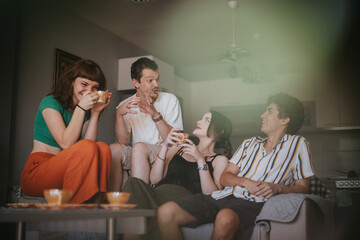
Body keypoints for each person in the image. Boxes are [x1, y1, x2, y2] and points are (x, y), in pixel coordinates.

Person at [158, 92, 315, 240]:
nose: (262, 115)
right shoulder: (249, 143)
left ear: (284, 119)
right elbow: (225, 178)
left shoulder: (297, 144)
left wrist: (277, 188)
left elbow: (303, 187)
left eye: (269, 111)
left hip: (252, 202)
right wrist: (245, 182)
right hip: (221, 197)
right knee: (166, 212)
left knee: (225, 218)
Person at [123, 111, 232, 239]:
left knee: (139, 207)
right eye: (201, 118)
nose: (199, 121)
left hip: (185, 198)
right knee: (133, 182)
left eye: (206, 120)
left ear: (220, 131)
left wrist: (200, 160)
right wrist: (165, 147)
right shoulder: (178, 147)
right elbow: (155, 179)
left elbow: (213, 195)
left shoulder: (219, 160)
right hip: (159, 192)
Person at [21, 59, 112, 204]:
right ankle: (74, 209)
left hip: (68, 169)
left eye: (95, 87)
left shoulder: (85, 111)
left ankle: (95, 205)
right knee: (87, 147)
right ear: (71, 82)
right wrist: (81, 108)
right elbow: (66, 143)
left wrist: (95, 113)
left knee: (103, 148)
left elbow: (90, 147)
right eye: (84, 84)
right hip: (38, 172)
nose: (89, 91)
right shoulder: (50, 102)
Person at [109, 57, 183, 190]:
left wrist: (154, 113)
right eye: (150, 80)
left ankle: (140, 200)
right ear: (136, 82)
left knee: (139, 147)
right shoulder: (125, 105)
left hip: (164, 152)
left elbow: (175, 141)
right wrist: (118, 115)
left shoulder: (170, 99)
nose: (156, 84)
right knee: (114, 149)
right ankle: (112, 202)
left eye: (157, 79)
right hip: (139, 152)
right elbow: (123, 141)